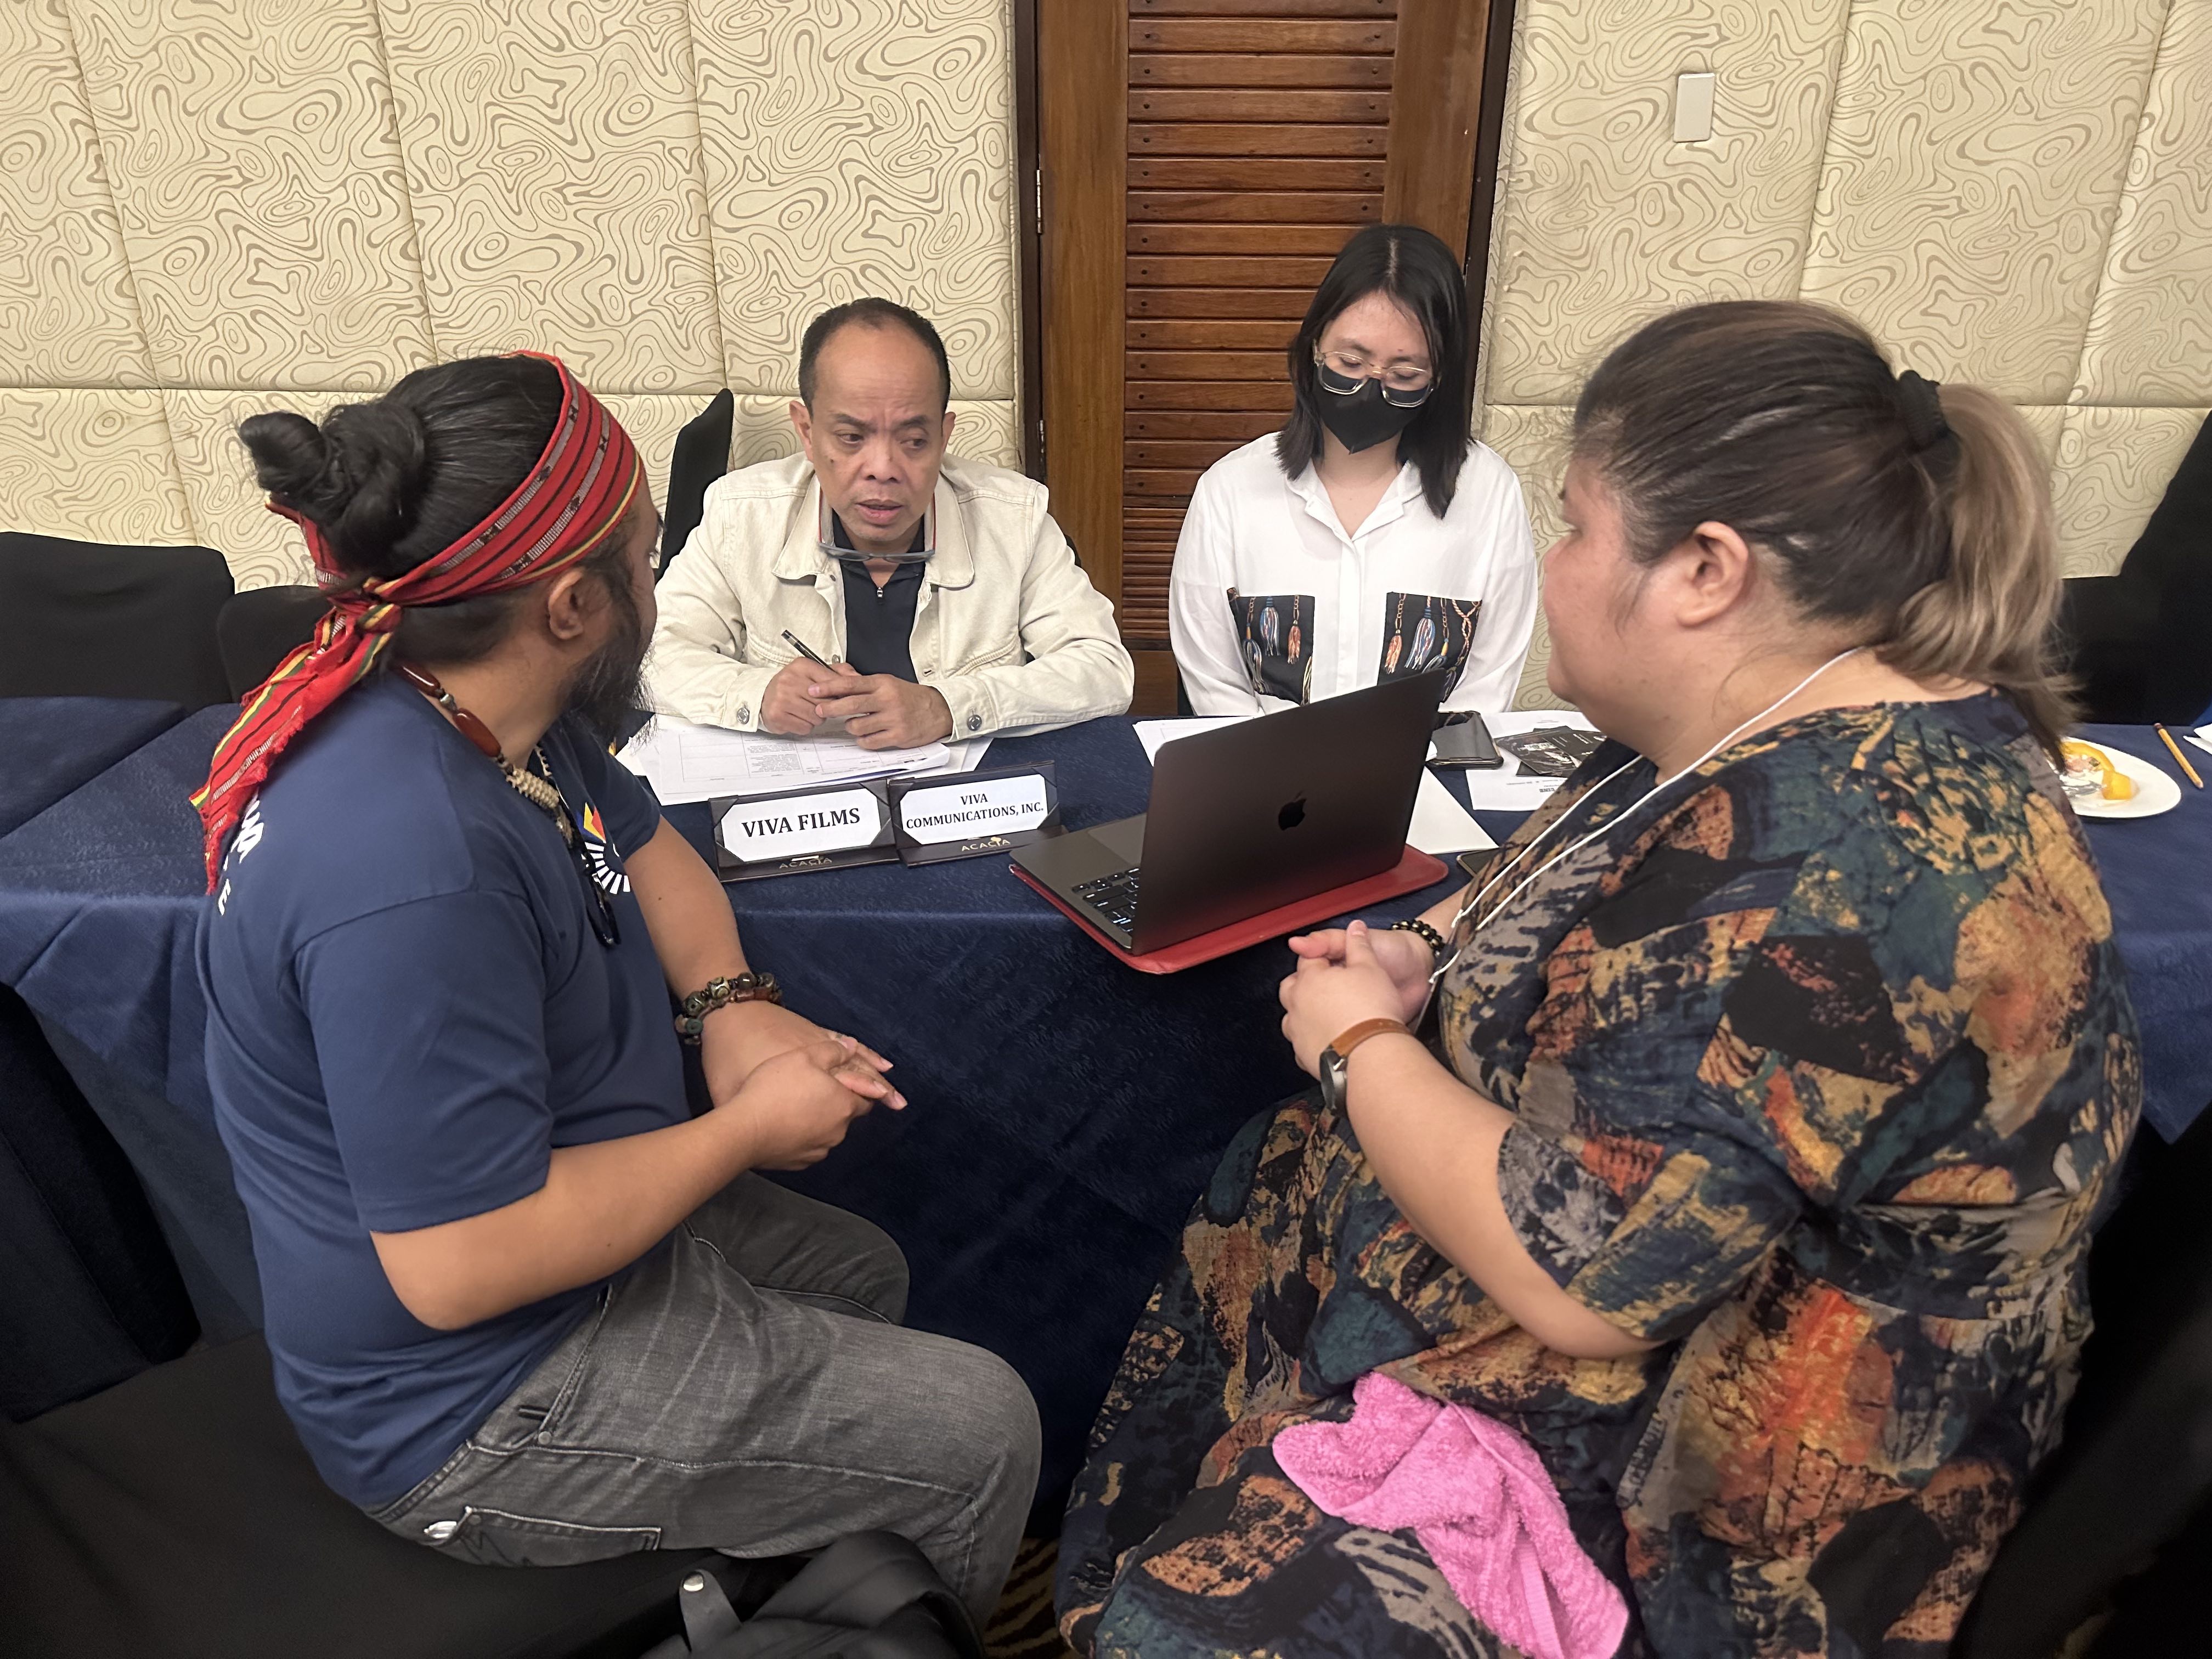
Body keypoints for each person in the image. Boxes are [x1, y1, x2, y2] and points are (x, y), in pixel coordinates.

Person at [1058, 302, 2141, 1656]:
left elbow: (1594, 1282)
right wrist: (1428, 952)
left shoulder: (1854, 861)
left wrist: (1359, 1051)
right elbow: (1564, 875)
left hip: (1707, 1480)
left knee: (1195, 1631)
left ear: (1704, 570)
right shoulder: (1733, 721)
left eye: (1573, 526)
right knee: (1264, 1174)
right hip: (1622, 1316)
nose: (1552, 566)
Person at [196, 353, 1039, 1624]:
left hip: (542, 1267)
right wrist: (745, 1128)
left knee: (858, 1269)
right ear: (575, 605)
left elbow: (646, 849)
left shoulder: (478, 709)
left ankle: (802, 1604)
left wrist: (728, 1006)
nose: (663, 576)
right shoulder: (411, 871)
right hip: (469, 1402)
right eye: (649, 552)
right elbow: (463, 1264)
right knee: (982, 1428)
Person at [647, 297, 1132, 747]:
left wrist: (948, 707)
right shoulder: (741, 515)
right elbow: (647, 661)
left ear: (944, 437)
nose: (883, 468)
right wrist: (755, 695)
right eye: (852, 437)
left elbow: (1104, 670)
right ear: (807, 433)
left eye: (914, 440)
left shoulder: (1016, 518)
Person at [1169, 223, 1538, 716]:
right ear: (1315, 346)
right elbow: (1214, 681)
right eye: (1351, 360)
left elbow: (1487, 685)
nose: (1372, 388)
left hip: (1424, 785)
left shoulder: (1488, 492)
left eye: (1405, 373)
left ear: (1441, 376)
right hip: (1263, 782)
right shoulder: (1230, 491)